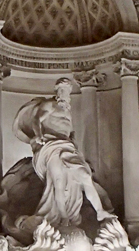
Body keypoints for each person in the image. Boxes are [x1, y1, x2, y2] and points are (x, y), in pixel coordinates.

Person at [12, 77, 111, 227]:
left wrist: (73, 141)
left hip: (68, 147)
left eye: (67, 91)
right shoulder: (50, 105)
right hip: (51, 147)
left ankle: (100, 211)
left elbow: (65, 129)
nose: (65, 94)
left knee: (84, 176)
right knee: (58, 182)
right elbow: (36, 120)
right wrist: (38, 135)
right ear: (57, 91)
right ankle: (63, 217)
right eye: (62, 91)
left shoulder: (67, 110)